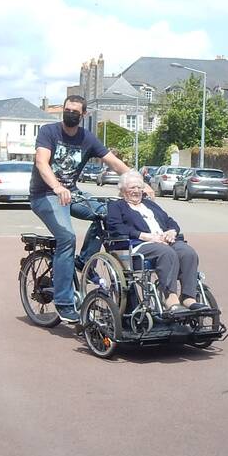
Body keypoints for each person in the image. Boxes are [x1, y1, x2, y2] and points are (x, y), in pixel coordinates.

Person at [30, 95, 144, 323]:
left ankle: (83, 261)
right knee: (67, 237)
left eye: (75, 111)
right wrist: (57, 186)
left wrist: (139, 182)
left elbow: (113, 162)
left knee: (108, 214)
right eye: (67, 109)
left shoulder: (87, 138)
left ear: (83, 115)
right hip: (45, 195)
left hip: (72, 193)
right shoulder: (49, 132)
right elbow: (42, 162)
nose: (69, 113)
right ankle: (64, 302)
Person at [107, 171, 206, 313]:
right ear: (122, 190)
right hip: (138, 245)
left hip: (164, 240)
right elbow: (116, 227)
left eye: (139, 187)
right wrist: (145, 236)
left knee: (187, 252)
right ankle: (170, 298)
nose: (136, 191)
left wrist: (172, 231)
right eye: (132, 188)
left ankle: (188, 296)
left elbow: (169, 220)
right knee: (166, 252)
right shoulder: (116, 206)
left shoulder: (150, 204)